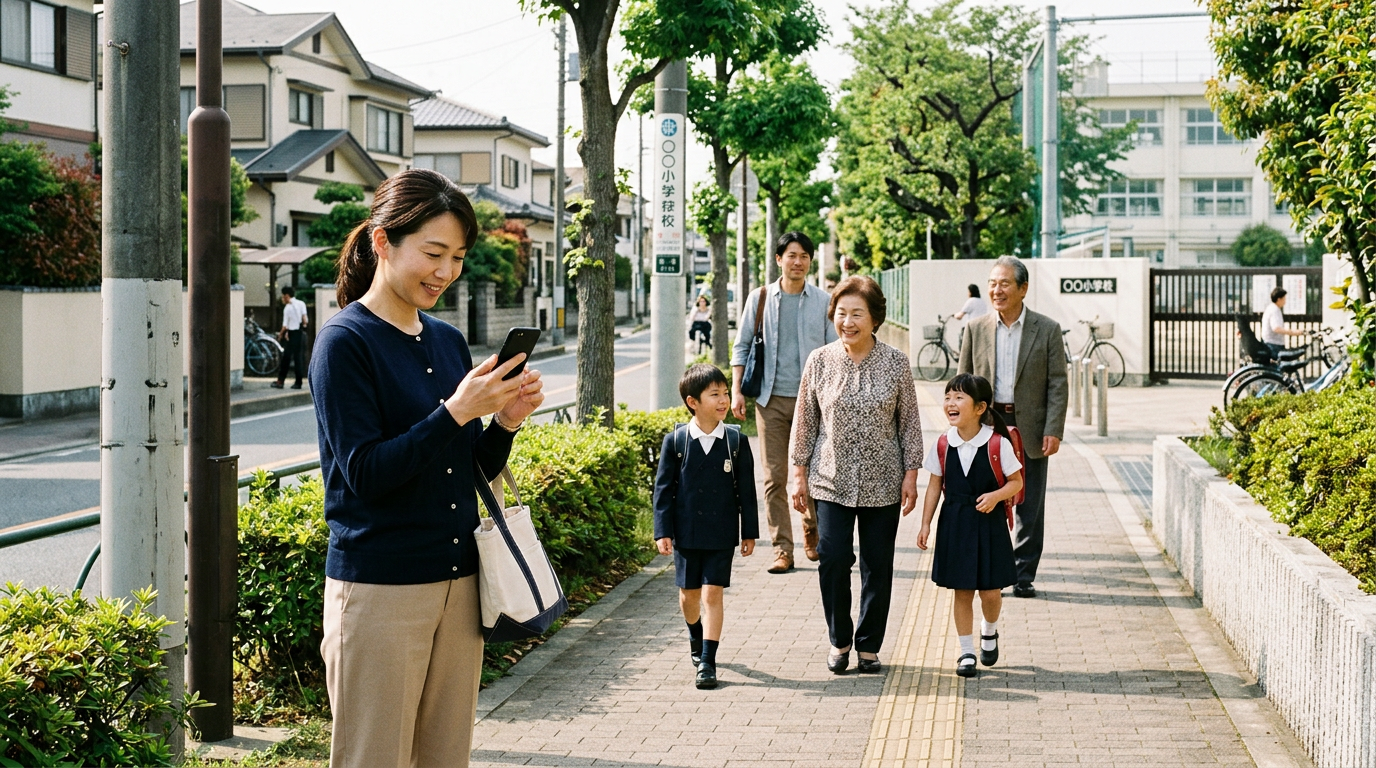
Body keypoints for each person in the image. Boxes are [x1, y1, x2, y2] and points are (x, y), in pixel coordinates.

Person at [310, 169, 545, 768]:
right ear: (383, 242)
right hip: (380, 588)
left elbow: (465, 470)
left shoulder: (446, 341)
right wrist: (455, 411)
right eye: (433, 253)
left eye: (458, 257)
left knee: (446, 759)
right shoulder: (344, 342)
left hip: (458, 584)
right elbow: (366, 472)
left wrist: (504, 422)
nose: (445, 272)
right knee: (374, 759)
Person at [790, 276, 923, 674]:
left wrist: (911, 474)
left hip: (884, 479)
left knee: (877, 564)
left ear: (875, 318)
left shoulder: (897, 363)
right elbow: (805, 422)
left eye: (857, 314)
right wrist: (797, 474)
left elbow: (910, 424)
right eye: (841, 313)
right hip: (830, 477)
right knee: (832, 557)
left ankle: (868, 645)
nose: (847, 321)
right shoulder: (820, 361)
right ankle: (839, 638)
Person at [958, 256, 1068, 599]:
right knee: (988, 500)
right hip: (988, 425)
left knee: (1029, 504)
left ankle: (1023, 574)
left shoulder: (1046, 329)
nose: (996, 289)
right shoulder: (975, 329)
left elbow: (1057, 384)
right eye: (992, 283)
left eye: (1005, 283)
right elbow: (963, 381)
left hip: (1031, 426)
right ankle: (991, 569)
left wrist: (1054, 428)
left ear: (1023, 288)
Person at [732, 231, 837, 574]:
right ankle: (782, 548)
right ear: (779, 259)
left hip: (814, 403)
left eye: (804, 256)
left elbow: (835, 351)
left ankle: (813, 529)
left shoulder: (823, 301)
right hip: (770, 400)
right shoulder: (760, 298)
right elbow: (742, 346)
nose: (798, 262)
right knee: (774, 477)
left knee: (814, 475)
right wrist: (736, 391)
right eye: (792, 255)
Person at [653, 364, 758, 690]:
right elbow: (663, 490)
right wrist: (662, 531)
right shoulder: (677, 441)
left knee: (713, 594)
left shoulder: (736, 442)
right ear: (692, 401)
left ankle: (708, 662)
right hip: (686, 533)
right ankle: (695, 635)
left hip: (722, 533)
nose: (724, 400)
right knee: (689, 597)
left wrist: (749, 532)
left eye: (725, 393)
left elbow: (748, 491)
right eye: (715, 394)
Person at [917, 374, 1024, 678]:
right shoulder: (942, 443)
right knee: (961, 591)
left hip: (988, 524)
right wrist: (925, 524)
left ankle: (989, 630)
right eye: (948, 396)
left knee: (990, 591)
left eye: (959, 397)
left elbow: (1016, 482)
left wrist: (995, 496)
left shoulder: (996, 443)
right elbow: (935, 486)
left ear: (980, 408)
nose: (951, 402)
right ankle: (966, 651)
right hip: (955, 523)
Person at [272, 285, 309, 389]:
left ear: (287, 296)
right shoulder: (301, 303)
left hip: (292, 334)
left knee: (286, 358)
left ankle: (280, 381)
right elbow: (305, 320)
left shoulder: (287, 308)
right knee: (298, 358)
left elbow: (285, 326)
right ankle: (298, 382)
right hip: (300, 333)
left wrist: (280, 334)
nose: (283, 298)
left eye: (283, 296)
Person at [1261, 287, 1305, 357]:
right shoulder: (1274, 309)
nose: (1285, 301)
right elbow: (1276, 328)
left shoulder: (1272, 308)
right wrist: (1292, 332)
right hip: (1273, 345)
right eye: (1284, 298)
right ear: (1279, 299)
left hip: (1271, 343)